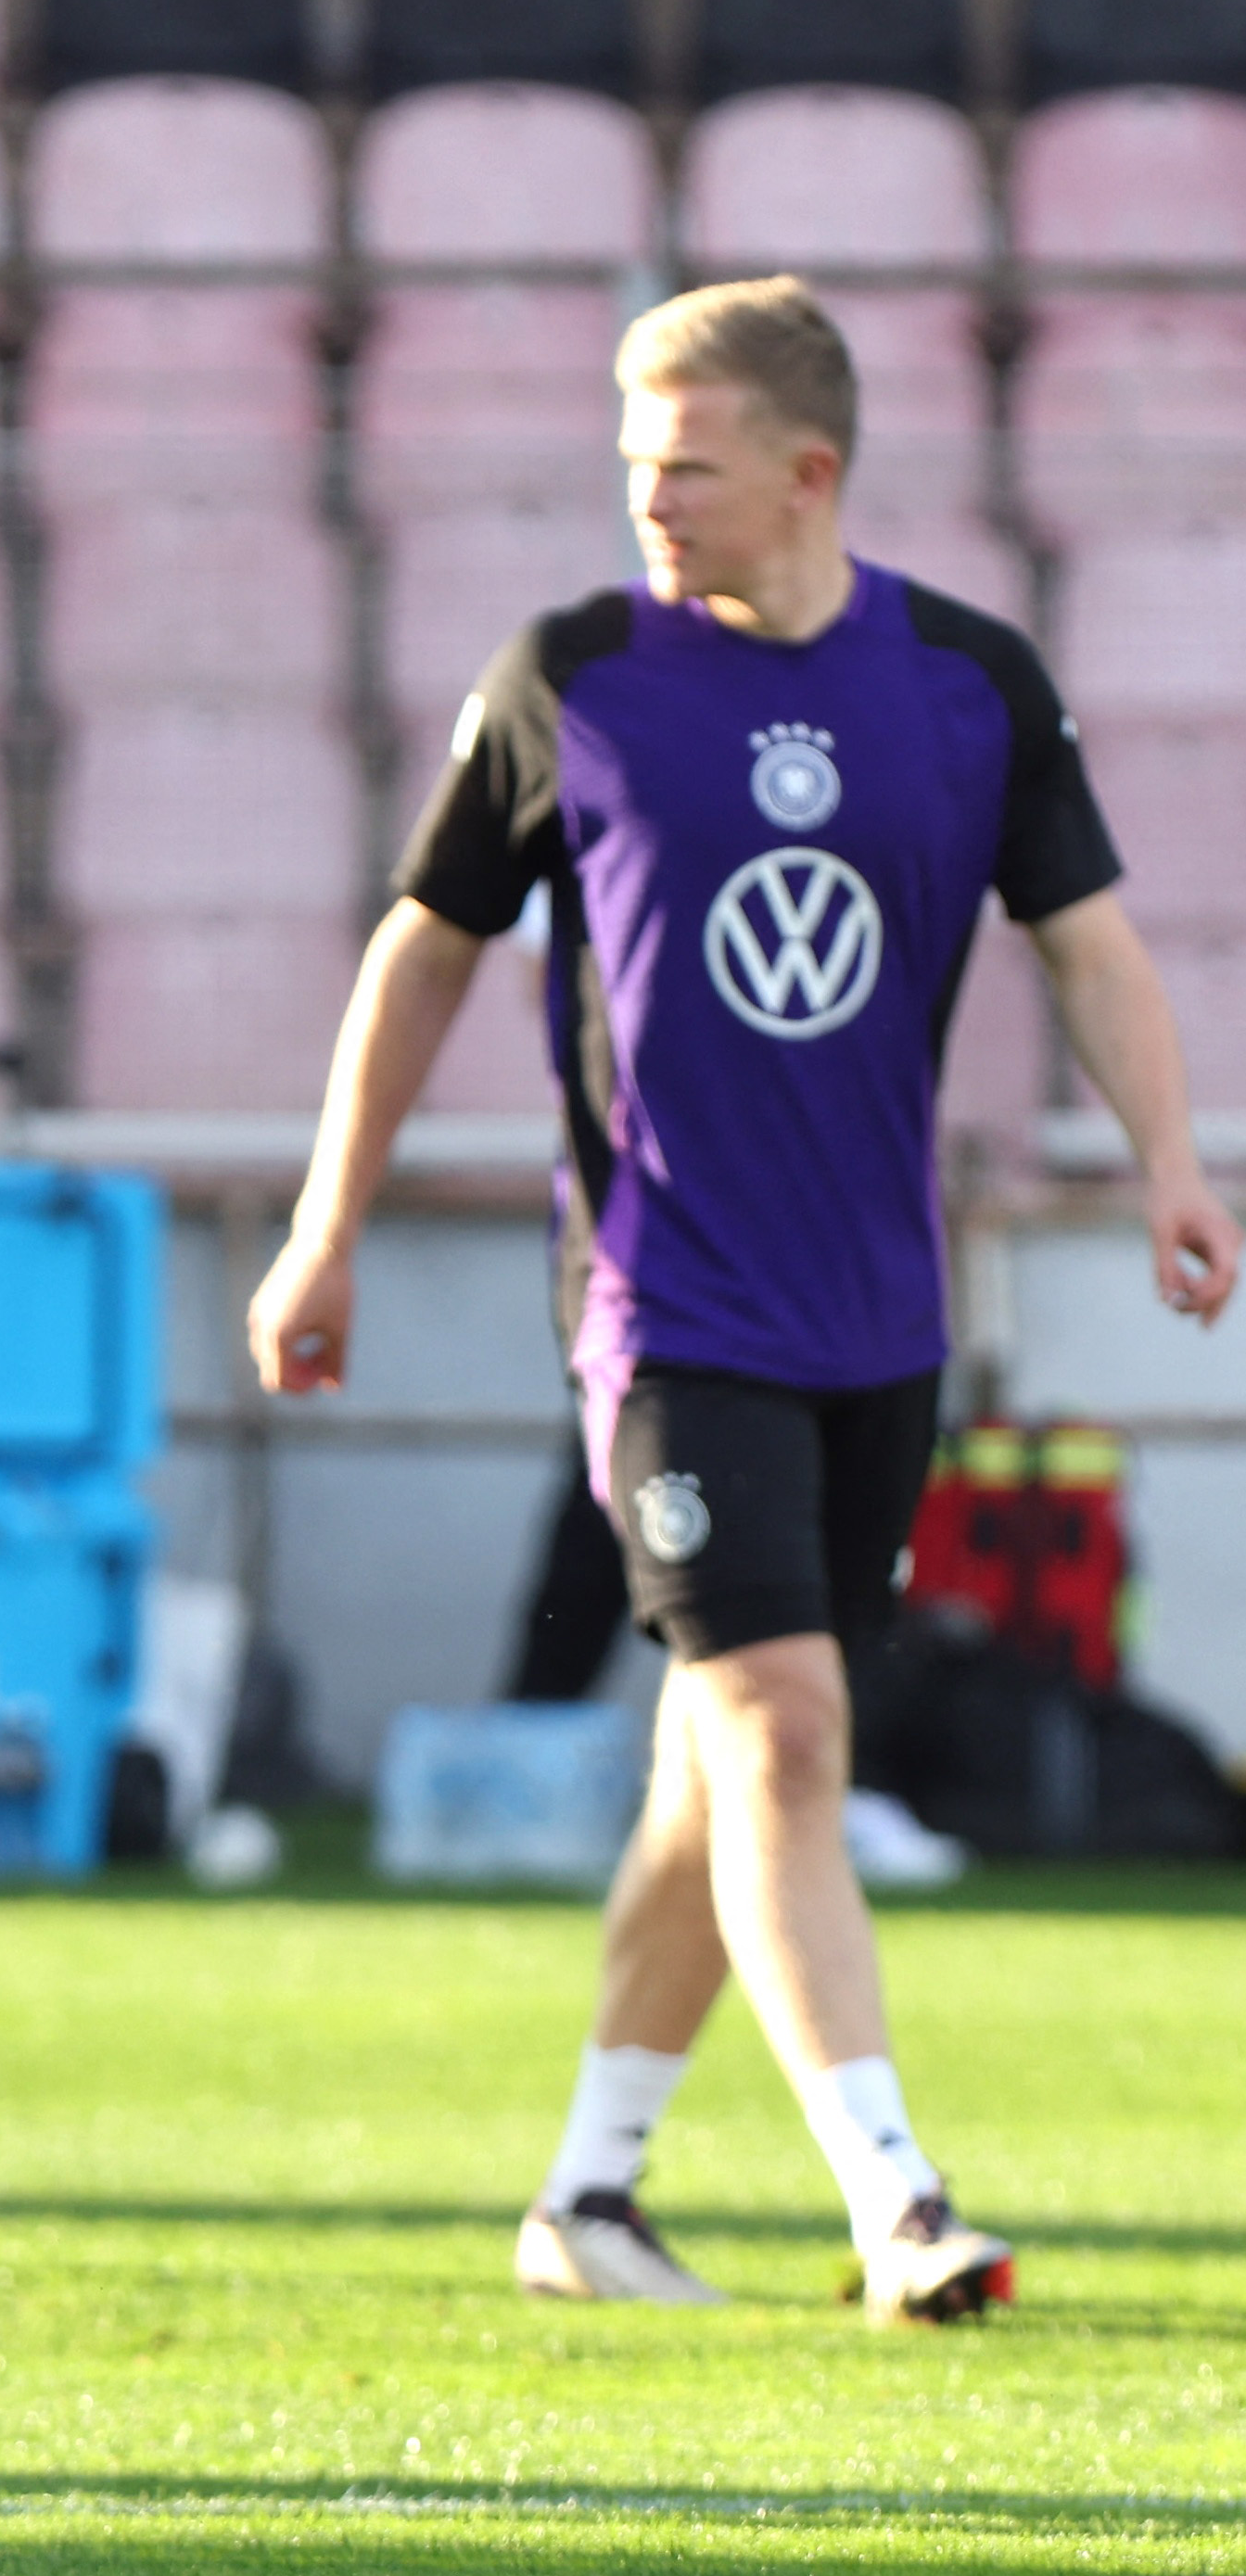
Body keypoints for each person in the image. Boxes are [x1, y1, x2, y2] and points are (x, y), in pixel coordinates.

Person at [247, 277, 1238, 2322]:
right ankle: (895, 2199)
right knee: (783, 1724)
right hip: (660, 1301)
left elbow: (1087, 943)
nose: (647, 498)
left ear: (808, 471)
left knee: (720, 1768)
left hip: (876, 1315)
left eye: (684, 463)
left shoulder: (966, 684)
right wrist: (323, 1222)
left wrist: (1167, 1161)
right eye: (632, 461)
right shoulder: (573, 675)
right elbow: (422, 949)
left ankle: (585, 2197)